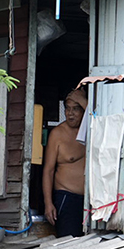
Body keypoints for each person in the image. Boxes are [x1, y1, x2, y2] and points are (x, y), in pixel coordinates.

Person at [42, 88, 87, 238]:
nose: (70, 113)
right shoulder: (58, 134)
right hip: (66, 198)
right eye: (67, 109)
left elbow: (101, 122)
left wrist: (84, 101)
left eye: (76, 109)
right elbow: (48, 170)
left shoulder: (92, 130)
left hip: (89, 201)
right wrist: (48, 204)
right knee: (69, 244)